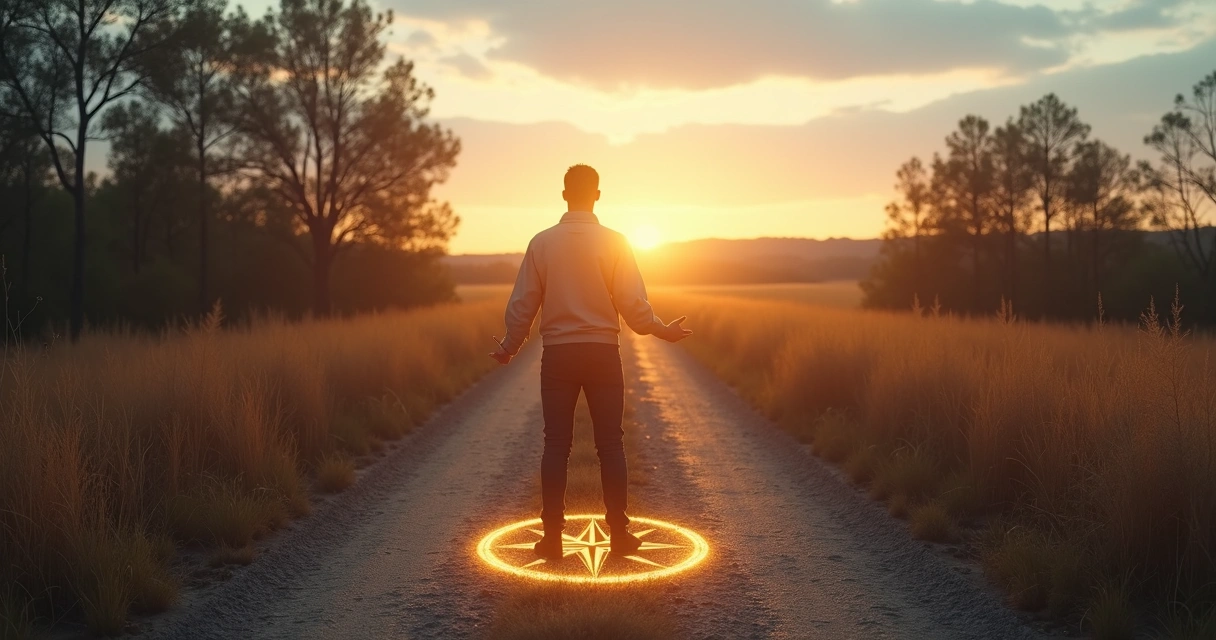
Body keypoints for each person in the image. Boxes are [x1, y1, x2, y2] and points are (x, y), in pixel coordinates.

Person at [489, 164, 693, 559]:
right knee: (611, 446)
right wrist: (662, 329)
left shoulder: (542, 243)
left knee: (555, 445)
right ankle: (620, 536)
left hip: (559, 356)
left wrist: (510, 346)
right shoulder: (615, 242)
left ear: (564, 194)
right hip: (603, 354)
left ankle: (551, 540)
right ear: (597, 195)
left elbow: (523, 304)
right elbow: (633, 306)